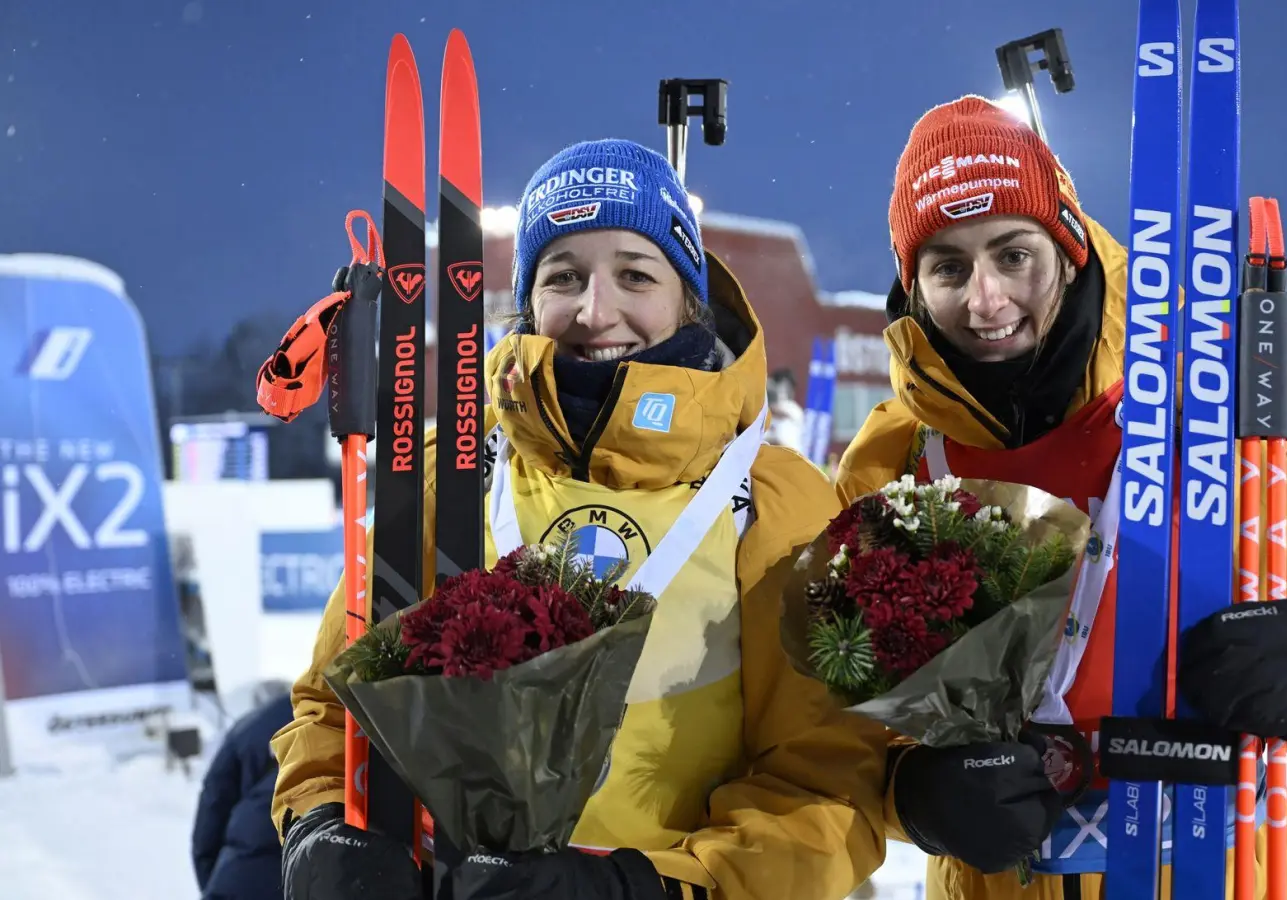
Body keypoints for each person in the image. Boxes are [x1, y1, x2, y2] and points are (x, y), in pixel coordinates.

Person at [269, 139, 888, 900]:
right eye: (564, 277)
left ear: (688, 296)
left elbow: (830, 782)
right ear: (529, 299)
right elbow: (337, 712)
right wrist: (323, 826)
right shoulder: (447, 470)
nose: (597, 312)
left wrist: (641, 890)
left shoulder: (778, 500)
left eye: (635, 273)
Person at [832, 96, 1287, 900]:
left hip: (1224, 872)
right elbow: (846, 725)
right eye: (948, 267)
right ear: (913, 288)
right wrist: (913, 793)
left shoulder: (1207, 411)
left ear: (1067, 249)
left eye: (1013, 254)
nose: (986, 299)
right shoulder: (895, 462)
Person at [192, 683, 294, 900]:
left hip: (243, 870)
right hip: (314, 870)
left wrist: (214, 879)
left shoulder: (247, 728)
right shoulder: (345, 714)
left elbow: (213, 805)